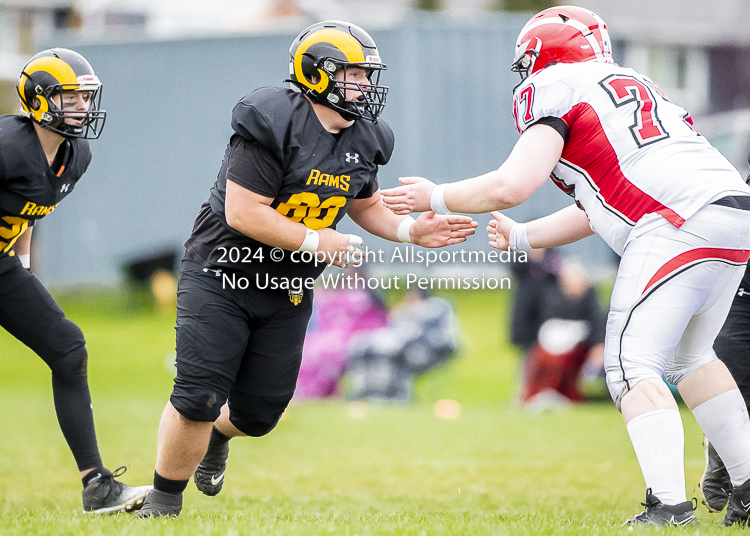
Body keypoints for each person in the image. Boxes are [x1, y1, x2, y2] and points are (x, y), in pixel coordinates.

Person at [381, 5, 750, 527]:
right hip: (731, 208)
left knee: (629, 364)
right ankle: (748, 486)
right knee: (691, 356)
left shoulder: (555, 83)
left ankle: (667, 505)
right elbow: (598, 202)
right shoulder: (637, 85)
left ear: (540, 56)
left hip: (673, 219)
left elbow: (512, 185)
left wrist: (436, 196)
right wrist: (524, 235)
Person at [135, 21, 477, 517]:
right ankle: (163, 503)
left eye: (367, 75)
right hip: (221, 273)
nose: (365, 85)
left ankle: (216, 438)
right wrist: (321, 240)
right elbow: (244, 211)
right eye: (354, 74)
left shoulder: (367, 137)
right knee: (198, 393)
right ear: (318, 75)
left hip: (287, 286)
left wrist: (410, 232)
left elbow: (364, 205)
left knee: (259, 413)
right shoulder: (272, 120)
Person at [1, 48, 152, 513]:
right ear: (41, 101)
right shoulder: (8, 145)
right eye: (71, 98)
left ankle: (98, 486)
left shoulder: (75, 155)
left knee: (68, 349)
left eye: (86, 97)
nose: (83, 108)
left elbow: (29, 210)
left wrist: (23, 269)